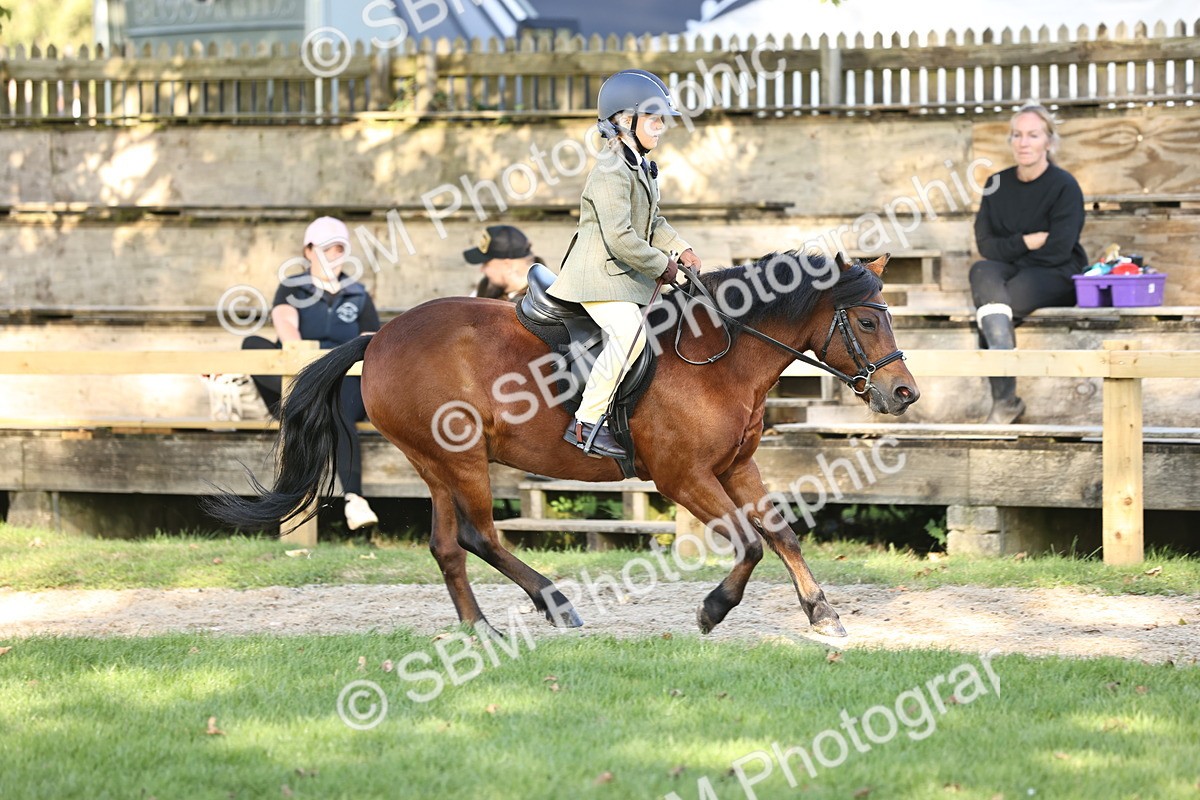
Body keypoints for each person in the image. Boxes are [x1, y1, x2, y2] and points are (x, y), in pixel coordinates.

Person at [547, 69, 701, 459]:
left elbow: (653, 223)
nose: (661, 127)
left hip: (621, 276)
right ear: (624, 120)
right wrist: (661, 267)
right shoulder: (610, 171)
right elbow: (620, 237)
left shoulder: (639, 167)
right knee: (629, 337)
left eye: (662, 119)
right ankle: (586, 422)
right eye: (654, 118)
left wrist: (681, 250)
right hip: (597, 277)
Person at [241, 216, 382, 531]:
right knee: (252, 344)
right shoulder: (292, 288)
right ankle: (293, 405)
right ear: (308, 251)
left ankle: (354, 498)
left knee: (338, 405)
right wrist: (312, 367)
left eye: (338, 249)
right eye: (325, 249)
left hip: (346, 377)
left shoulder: (358, 293)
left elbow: (371, 339)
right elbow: (286, 326)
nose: (333, 255)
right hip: (304, 372)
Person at [970, 103, 1087, 424]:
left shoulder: (1064, 186)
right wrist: (1027, 241)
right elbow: (985, 246)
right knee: (981, 271)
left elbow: (1059, 249)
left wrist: (1011, 250)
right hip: (1012, 271)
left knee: (992, 307)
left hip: (1057, 273)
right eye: (1017, 135)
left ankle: (1004, 401)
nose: (1023, 142)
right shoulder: (996, 184)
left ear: (1049, 141)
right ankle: (1006, 400)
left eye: (1033, 135)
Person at [464, 224, 537, 302]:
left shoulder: (536, 306)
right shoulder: (486, 287)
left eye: (486, 263)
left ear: (508, 266)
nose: (482, 269)